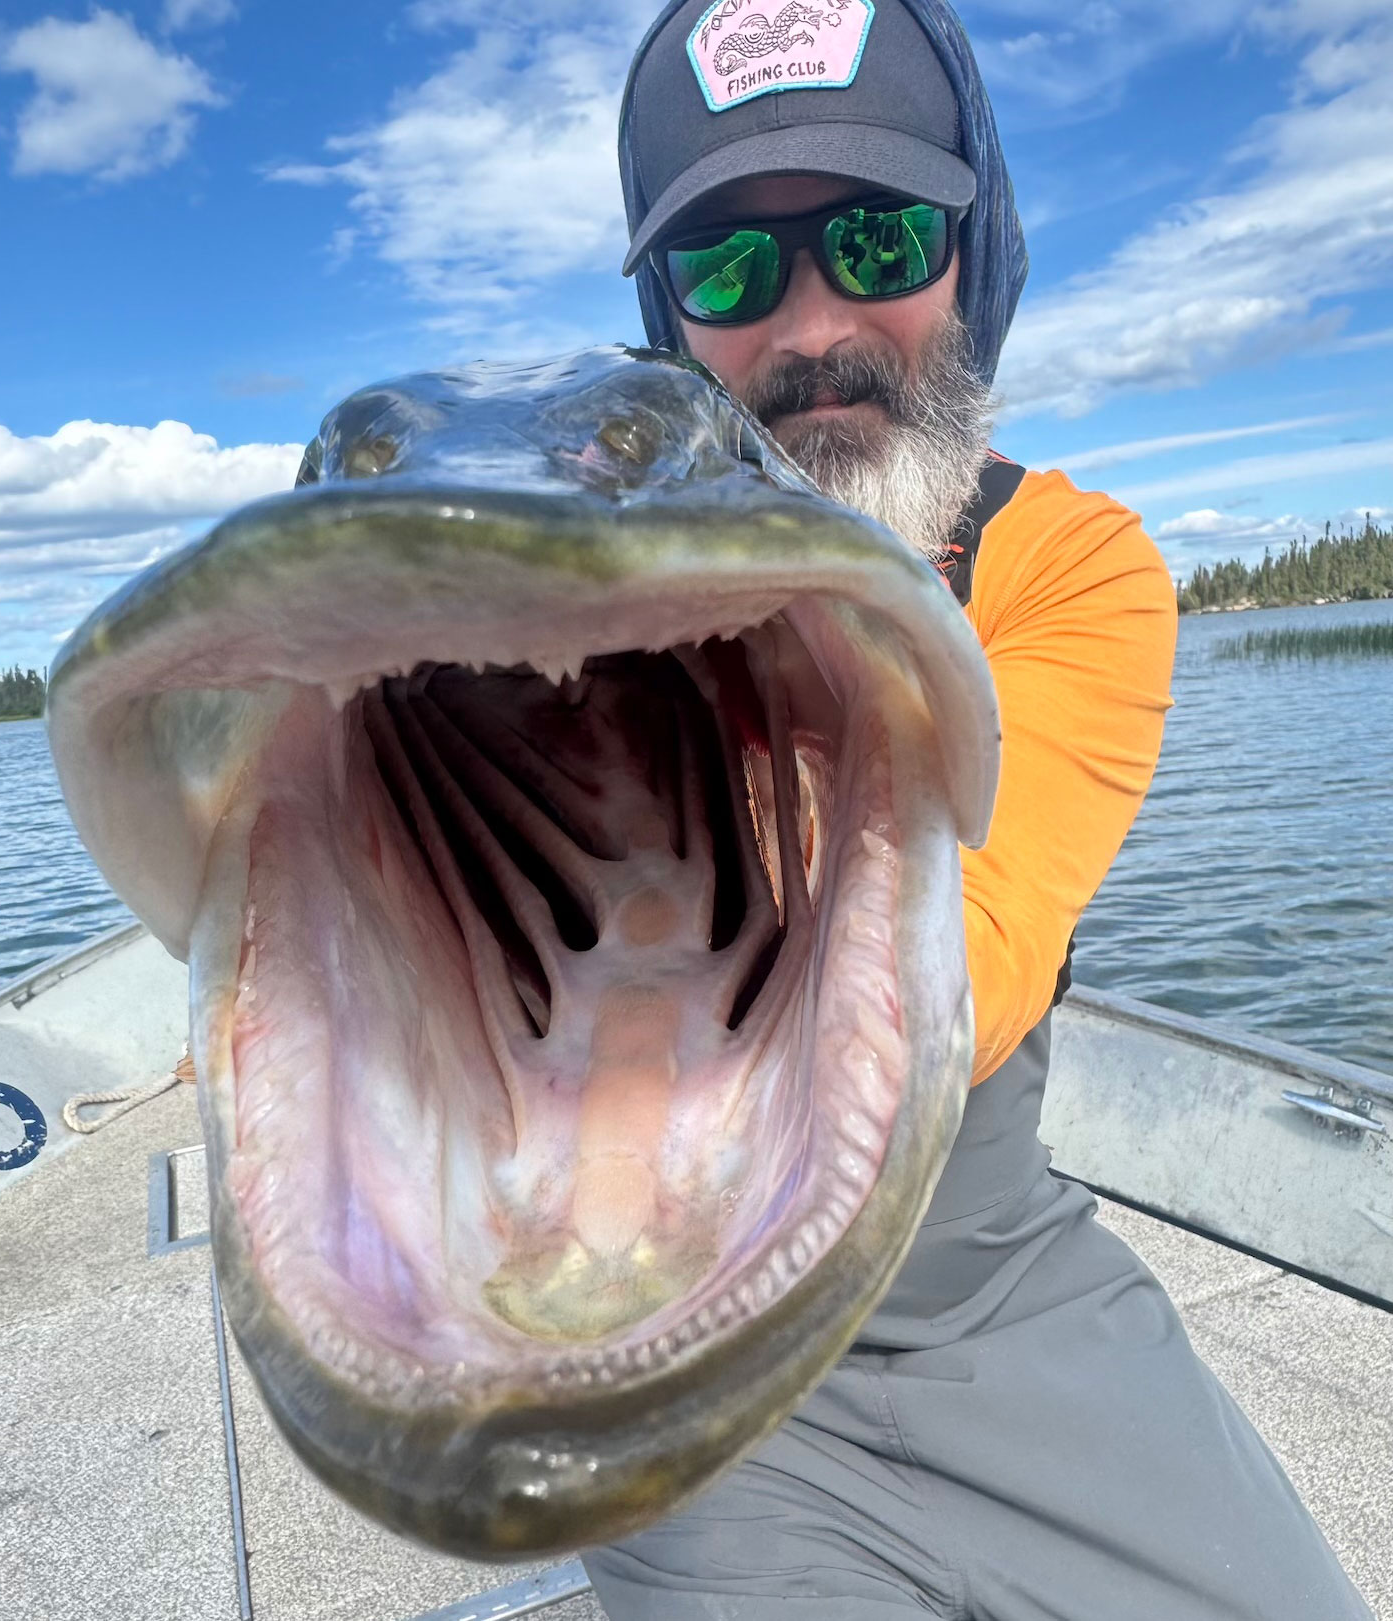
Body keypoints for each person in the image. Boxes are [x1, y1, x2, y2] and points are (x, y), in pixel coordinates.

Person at [581, 2, 1376, 1616]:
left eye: (875, 237)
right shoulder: (573, 585)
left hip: (987, 1281)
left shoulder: (1073, 567)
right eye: (730, 268)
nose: (810, 327)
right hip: (680, 1325)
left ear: (976, 252)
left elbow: (972, 952)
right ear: (672, 321)